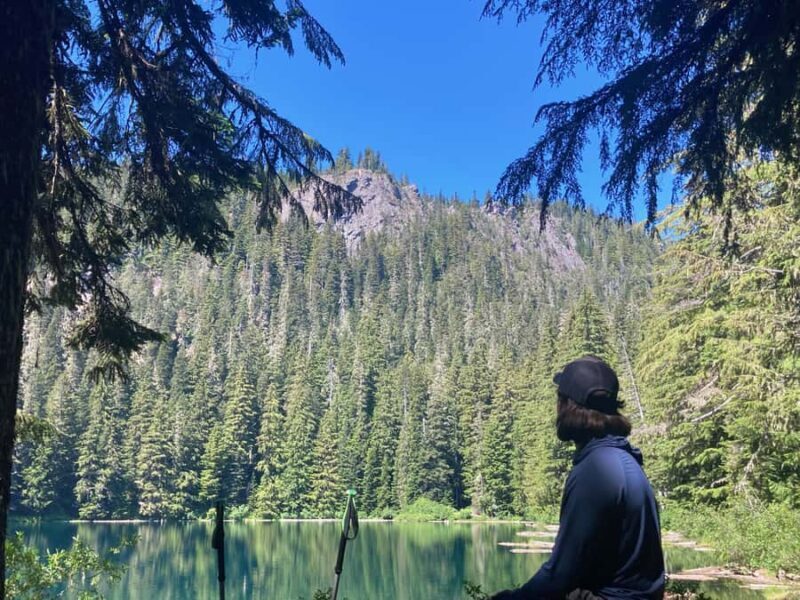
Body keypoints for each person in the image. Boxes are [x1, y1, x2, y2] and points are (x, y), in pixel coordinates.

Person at [490, 355, 665, 600]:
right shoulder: (622, 459)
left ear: (568, 406)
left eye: (559, 399)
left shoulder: (596, 472)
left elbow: (560, 575)